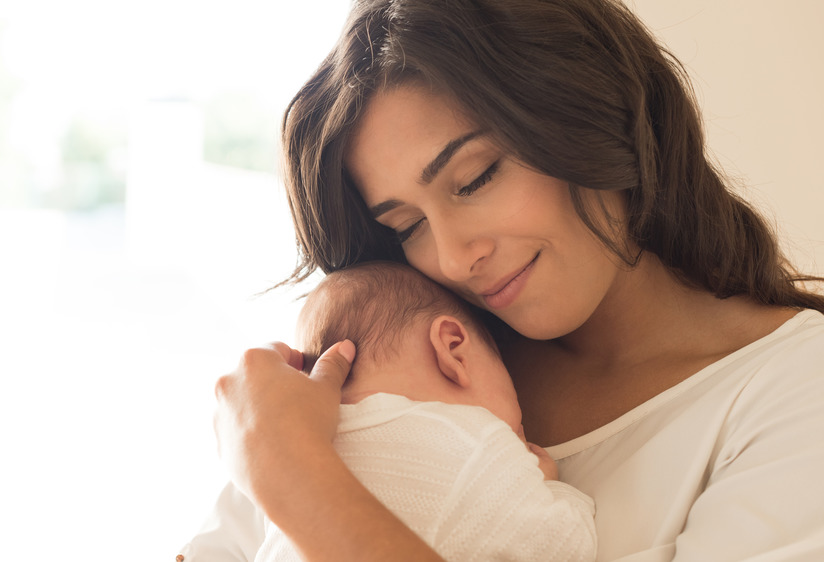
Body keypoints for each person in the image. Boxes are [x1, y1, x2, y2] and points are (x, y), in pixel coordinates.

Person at [198, 0, 824, 560]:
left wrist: (292, 477)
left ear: (590, 114)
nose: (452, 258)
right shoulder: (406, 365)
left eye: (474, 179)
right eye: (408, 224)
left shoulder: (793, 393)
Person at [252, 261, 596, 561]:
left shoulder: (294, 471)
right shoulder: (476, 444)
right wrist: (547, 486)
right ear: (454, 349)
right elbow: (566, 546)